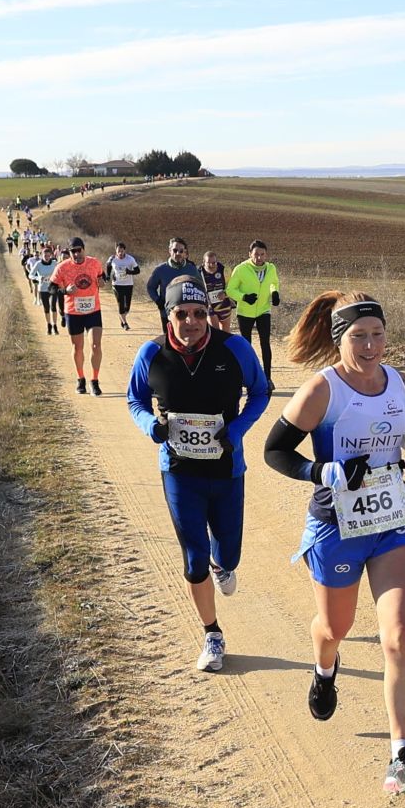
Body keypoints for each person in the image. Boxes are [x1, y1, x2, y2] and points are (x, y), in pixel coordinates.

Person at [263, 291, 405, 797]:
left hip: (392, 518)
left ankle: (402, 756)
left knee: (402, 636)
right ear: (339, 339)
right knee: (335, 627)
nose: (369, 345)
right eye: (358, 336)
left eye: (377, 334)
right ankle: (324, 667)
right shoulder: (323, 390)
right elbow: (275, 451)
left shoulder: (402, 383)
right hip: (336, 522)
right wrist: (323, 470)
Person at [126, 279, 270, 673]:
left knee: (228, 555)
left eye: (199, 314)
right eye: (181, 314)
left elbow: (261, 392)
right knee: (194, 557)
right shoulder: (152, 353)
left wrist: (237, 430)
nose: (191, 323)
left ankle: (221, 564)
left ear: (208, 315)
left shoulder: (234, 348)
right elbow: (134, 398)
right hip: (179, 471)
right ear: (168, 315)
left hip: (226, 470)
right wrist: (148, 425)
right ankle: (212, 633)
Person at [50, 236, 107, 394]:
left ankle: (94, 381)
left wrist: (102, 282)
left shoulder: (94, 263)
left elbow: (102, 277)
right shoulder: (62, 268)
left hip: (93, 310)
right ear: (69, 252)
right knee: (78, 347)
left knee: (95, 345)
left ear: (84, 249)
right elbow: (51, 288)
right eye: (73, 252)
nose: (76, 254)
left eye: (78, 250)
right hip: (73, 312)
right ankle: (80, 379)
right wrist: (65, 291)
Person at [229, 241, 282, 382]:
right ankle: (247, 377)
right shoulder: (241, 269)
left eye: (262, 254)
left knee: (265, 343)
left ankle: (268, 378)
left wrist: (275, 292)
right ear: (250, 254)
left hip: (263, 310)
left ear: (266, 255)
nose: (259, 257)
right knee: (247, 345)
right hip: (245, 312)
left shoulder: (271, 268)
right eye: (256, 254)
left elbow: (273, 282)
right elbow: (230, 290)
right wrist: (244, 297)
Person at [145, 238, 203, 316]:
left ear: (185, 252)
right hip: (167, 313)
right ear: (170, 251)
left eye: (181, 251)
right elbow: (150, 287)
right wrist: (158, 301)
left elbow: (201, 287)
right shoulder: (160, 270)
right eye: (175, 250)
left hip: (189, 315)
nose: (178, 253)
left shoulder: (192, 269)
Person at [107, 243, 141, 331]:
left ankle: (121, 317)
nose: (120, 253)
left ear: (124, 251)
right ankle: (125, 323)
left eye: (122, 251)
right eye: (119, 251)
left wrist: (130, 272)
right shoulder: (112, 259)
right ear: (116, 251)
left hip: (128, 284)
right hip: (117, 285)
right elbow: (108, 266)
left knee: (127, 307)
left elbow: (137, 271)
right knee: (121, 304)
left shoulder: (130, 259)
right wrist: (108, 275)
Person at [201, 250, 236, 334]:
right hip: (210, 307)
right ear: (203, 262)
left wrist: (225, 293)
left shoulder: (224, 270)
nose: (211, 265)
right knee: (216, 333)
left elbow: (231, 286)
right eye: (209, 263)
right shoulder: (199, 273)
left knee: (226, 334)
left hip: (225, 306)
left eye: (214, 262)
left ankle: (224, 347)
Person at [29, 247, 60, 334]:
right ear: (42, 255)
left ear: (50, 255)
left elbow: (59, 272)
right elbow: (31, 275)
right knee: (46, 308)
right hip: (42, 288)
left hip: (53, 287)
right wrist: (38, 278)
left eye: (48, 255)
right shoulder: (38, 264)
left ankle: (55, 325)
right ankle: (49, 325)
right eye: (45, 255)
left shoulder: (54, 263)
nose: (46, 257)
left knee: (53, 307)